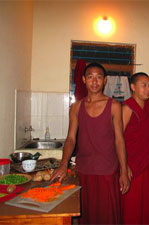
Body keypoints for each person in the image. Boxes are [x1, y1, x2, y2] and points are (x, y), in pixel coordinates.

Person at [51, 62, 130, 224]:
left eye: (99, 77)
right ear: (83, 80)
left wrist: (123, 171)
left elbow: (119, 140)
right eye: (90, 77)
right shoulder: (76, 107)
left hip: (107, 170)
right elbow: (71, 138)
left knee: (108, 216)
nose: (94, 81)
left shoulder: (114, 106)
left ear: (105, 80)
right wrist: (63, 164)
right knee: (87, 216)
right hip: (84, 170)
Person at [121, 72, 149, 224]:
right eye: (144, 85)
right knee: (132, 203)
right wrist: (124, 166)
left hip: (146, 163)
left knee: (145, 201)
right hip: (132, 164)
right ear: (133, 87)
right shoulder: (127, 107)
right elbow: (117, 138)